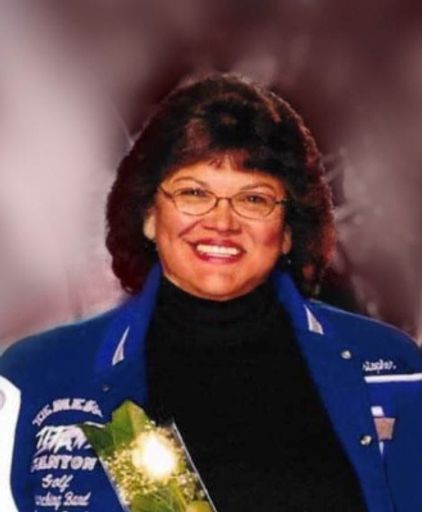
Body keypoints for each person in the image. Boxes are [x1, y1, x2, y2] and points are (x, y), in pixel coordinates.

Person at [1, 73, 422, 512]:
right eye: (193, 193)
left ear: (287, 232)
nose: (222, 222)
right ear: (149, 215)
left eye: (254, 199)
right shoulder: (38, 375)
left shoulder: (389, 366)